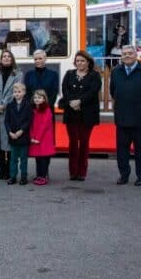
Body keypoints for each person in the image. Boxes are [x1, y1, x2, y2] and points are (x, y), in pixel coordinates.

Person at [108, 45, 141, 186]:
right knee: (122, 150)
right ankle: (124, 175)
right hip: (122, 117)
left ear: (136, 55)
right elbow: (113, 92)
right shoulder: (116, 72)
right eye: (124, 54)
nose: (127, 56)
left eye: (130, 53)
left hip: (140, 117)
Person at [59, 50, 101, 181]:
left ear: (88, 62)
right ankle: (73, 171)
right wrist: (72, 102)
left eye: (82, 61)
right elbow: (65, 90)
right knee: (72, 142)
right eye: (77, 61)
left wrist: (80, 101)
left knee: (83, 142)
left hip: (87, 114)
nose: (80, 63)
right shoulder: (69, 74)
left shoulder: (94, 76)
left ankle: (82, 171)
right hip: (71, 113)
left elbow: (93, 91)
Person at [0, 50, 22, 181]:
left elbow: (15, 92)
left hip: (10, 111)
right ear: (1, 59)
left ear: (12, 59)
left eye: (9, 56)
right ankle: (2, 170)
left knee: (9, 142)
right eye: (4, 56)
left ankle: (9, 169)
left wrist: (3, 105)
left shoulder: (18, 73)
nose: (6, 58)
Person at [4, 83, 31, 185]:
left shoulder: (28, 105)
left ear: (24, 93)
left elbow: (28, 120)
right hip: (13, 136)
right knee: (13, 159)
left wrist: (21, 131)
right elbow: (6, 121)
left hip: (23, 136)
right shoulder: (10, 105)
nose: (17, 94)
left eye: (19, 92)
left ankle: (23, 177)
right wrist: (9, 132)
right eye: (15, 92)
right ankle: (13, 177)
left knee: (23, 159)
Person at [29, 90, 56, 185]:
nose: (37, 99)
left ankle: (43, 176)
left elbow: (44, 125)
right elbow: (30, 124)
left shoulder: (47, 109)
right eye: (35, 98)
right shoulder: (32, 109)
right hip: (35, 138)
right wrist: (32, 136)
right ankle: (39, 175)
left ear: (44, 99)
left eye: (40, 98)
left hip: (44, 138)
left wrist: (38, 138)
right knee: (38, 158)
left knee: (44, 158)